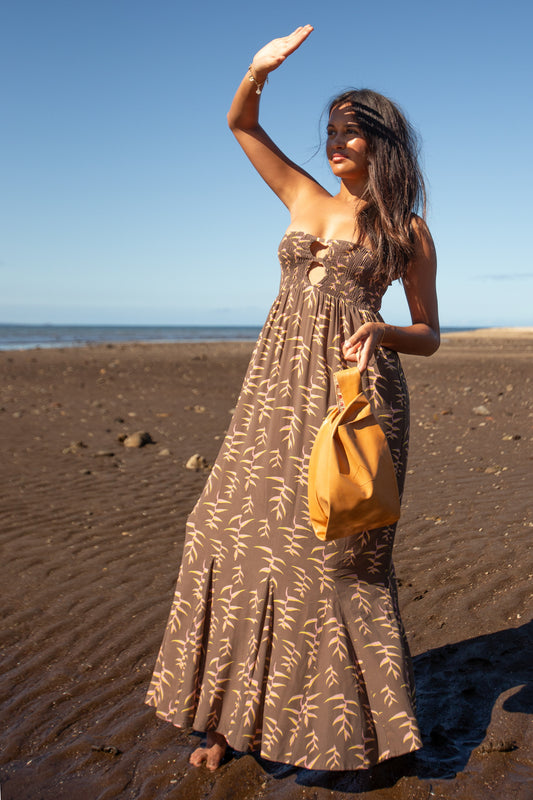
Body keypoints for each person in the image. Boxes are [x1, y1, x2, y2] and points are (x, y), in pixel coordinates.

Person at [146, 25, 439, 773]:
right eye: (331, 131)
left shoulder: (405, 230)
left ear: (381, 143)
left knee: (335, 558)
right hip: (273, 393)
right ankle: (223, 722)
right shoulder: (301, 194)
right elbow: (241, 124)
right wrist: (257, 70)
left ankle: (358, 733)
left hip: (351, 397)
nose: (335, 142)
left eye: (350, 132)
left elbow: (430, 333)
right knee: (225, 534)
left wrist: (381, 330)